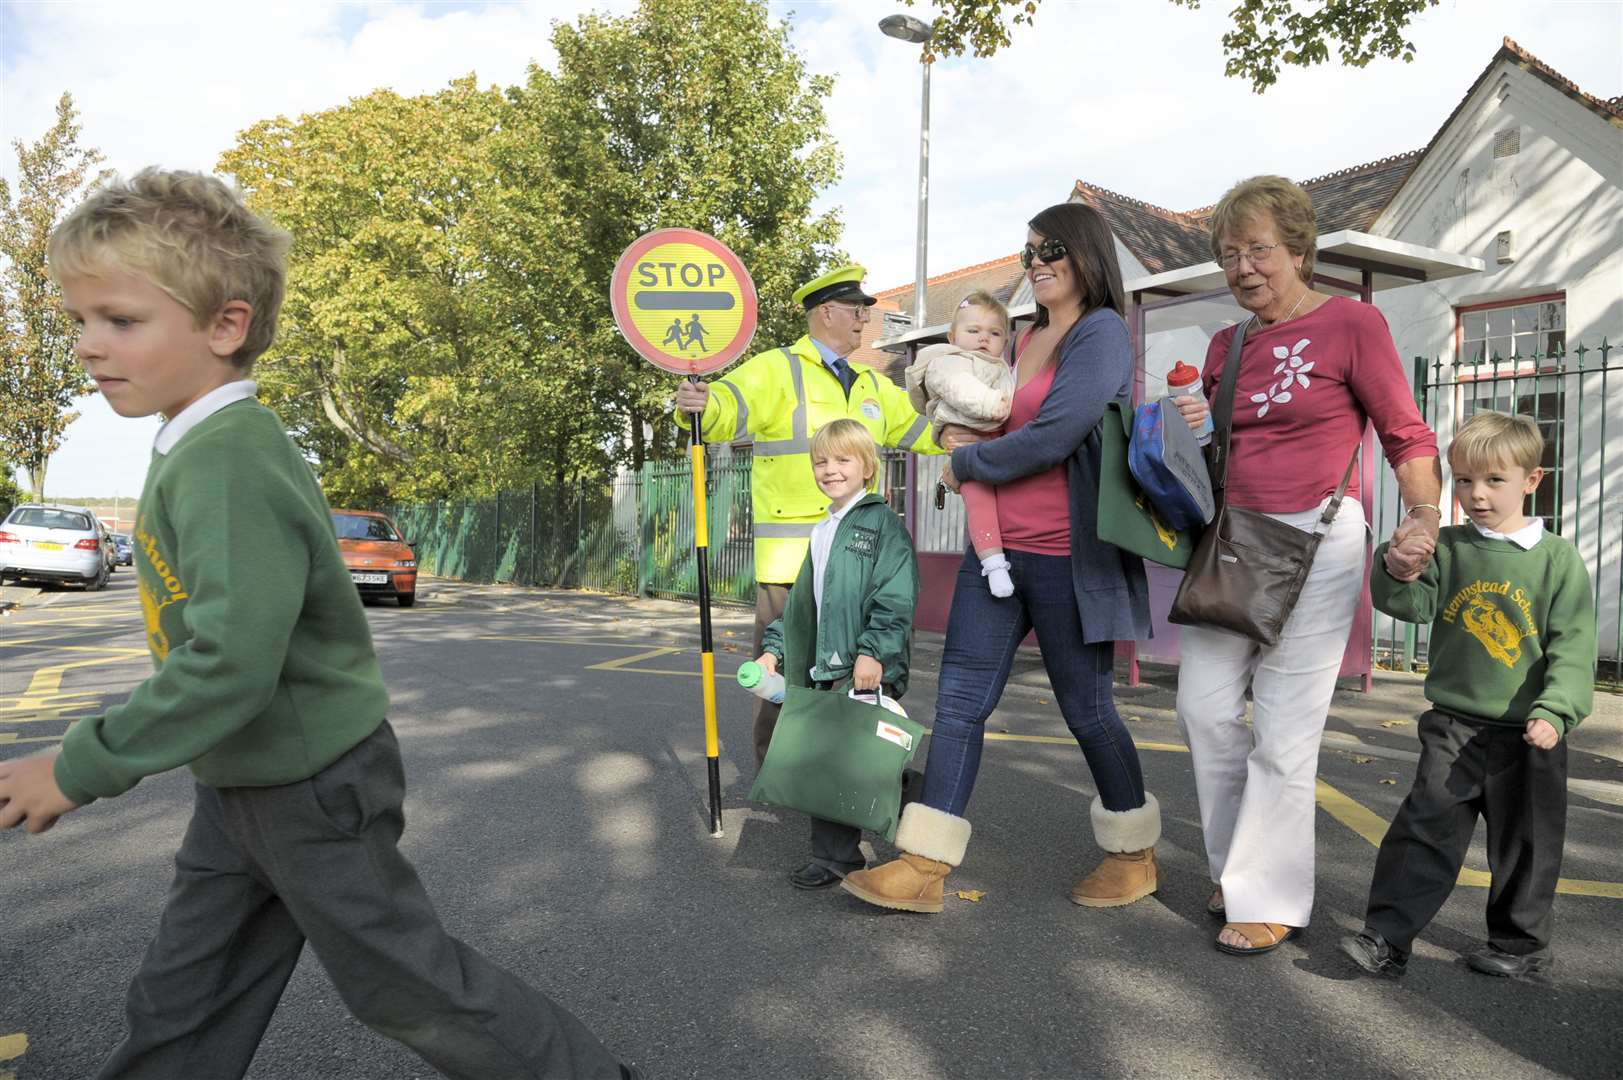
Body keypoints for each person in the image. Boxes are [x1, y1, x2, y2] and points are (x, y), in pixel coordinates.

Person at [0, 170, 637, 1080]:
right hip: (245, 780)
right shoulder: (198, 444)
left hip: (307, 784)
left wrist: (78, 764)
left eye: (122, 320)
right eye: (79, 320)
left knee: (406, 986)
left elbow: (229, 664)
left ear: (225, 325)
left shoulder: (227, 459)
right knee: (188, 995)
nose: (90, 345)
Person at [842, 203, 1162, 915]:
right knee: (958, 702)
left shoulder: (1101, 332)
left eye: (1050, 249)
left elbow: (1054, 435)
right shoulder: (1026, 337)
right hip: (995, 555)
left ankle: (1133, 853)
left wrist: (966, 467)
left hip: (1065, 556)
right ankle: (922, 864)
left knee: (1087, 710)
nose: (1036, 262)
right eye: (1027, 253)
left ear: (1084, 253)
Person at [1171, 175, 1441, 956]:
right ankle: (1234, 867)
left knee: (1284, 733)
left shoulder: (1352, 324)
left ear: (1297, 249)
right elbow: (1209, 454)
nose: (1243, 267)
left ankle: (1269, 896)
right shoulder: (1229, 343)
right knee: (1203, 709)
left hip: (1320, 538)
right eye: (1229, 255)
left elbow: (1403, 431)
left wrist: (1423, 516)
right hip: (1233, 541)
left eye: (1258, 250)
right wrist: (1190, 424)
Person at [1340, 411, 1594, 979]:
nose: (1476, 496)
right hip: (1453, 723)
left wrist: (1557, 710)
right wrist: (1396, 565)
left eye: (1494, 481)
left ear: (1532, 480)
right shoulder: (1447, 547)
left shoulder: (1557, 560)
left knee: (1525, 842)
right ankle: (1386, 938)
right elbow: (1409, 606)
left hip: (1531, 732)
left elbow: (1574, 647)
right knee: (1423, 828)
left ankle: (1519, 946)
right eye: (1463, 481)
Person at [674, 264, 937, 767]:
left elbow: (917, 428)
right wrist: (698, 404)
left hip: (856, 564)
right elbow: (725, 404)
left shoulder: (868, 383)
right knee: (785, 679)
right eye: (858, 312)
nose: (865, 321)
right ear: (827, 313)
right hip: (791, 564)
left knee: (851, 677)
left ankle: (838, 776)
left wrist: (963, 438)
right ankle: (781, 776)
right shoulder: (777, 368)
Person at [756, 419, 920, 889]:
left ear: (867, 466)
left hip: (864, 664)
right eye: (821, 461)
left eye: (842, 459)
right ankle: (836, 858)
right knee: (828, 760)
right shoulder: (824, 528)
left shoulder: (882, 524)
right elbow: (804, 604)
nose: (830, 469)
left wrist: (874, 653)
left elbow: (896, 596)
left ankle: (924, 804)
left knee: (865, 756)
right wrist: (775, 651)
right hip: (825, 662)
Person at [904, 290, 1016, 597]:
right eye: (973, 330)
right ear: (953, 337)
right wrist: (997, 405)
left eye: (994, 333)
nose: (984, 338)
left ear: (1005, 341)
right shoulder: (948, 362)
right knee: (980, 500)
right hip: (969, 434)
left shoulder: (1002, 367)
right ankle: (993, 562)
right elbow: (964, 391)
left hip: (992, 437)